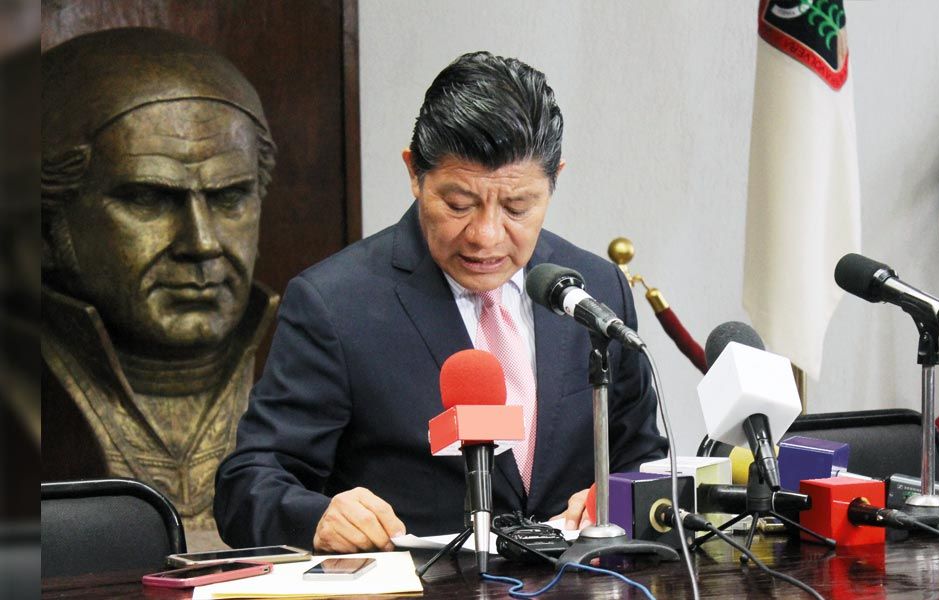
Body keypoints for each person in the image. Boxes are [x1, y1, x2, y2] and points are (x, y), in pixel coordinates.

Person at [215, 51, 667, 552]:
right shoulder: (334, 304)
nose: (485, 235)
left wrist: (615, 498)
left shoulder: (595, 290)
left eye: (517, 206)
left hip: (579, 580)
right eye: (458, 204)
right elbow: (247, 482)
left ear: (553, 180)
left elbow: (643, 459)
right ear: (415, 173)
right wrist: (317, 517)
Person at [40, 28, 279, 528]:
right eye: (149, 198)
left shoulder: (317, 365)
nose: (202, 243)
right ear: (48, 218)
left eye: (229, 197)